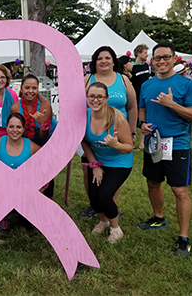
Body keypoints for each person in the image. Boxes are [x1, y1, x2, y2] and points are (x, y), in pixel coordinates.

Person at [137, 41, 192, 257]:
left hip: (178, 144)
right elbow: (142, 110)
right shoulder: (146, 85)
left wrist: (172, 104)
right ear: (152, 61)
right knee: (153, 182)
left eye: (166, 57)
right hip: (153, 142)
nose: (162, 61)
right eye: (158, 58)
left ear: (174, 59)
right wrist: (142, 124)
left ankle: (184, 238)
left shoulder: (186, 85)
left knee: (179, 191)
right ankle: (158, 218)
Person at [80, 46, 137, 218]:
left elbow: (133, 106)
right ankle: (95, 205)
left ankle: (111, 207)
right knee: (89, 171)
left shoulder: (123, 80)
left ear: (114, 61)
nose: (103, 61)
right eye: (99, 58)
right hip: (91, 135)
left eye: (107, 58)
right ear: (94, 62)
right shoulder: (87, 79)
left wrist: (133, 132)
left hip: (118, 133)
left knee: (113, 173)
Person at [82, 82, 133, 243]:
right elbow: (84, 142)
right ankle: (103, 222)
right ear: (87, 97)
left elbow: (128, 147)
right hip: (98, 162)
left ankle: (115, 228)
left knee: (104, 196)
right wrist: (94, 165)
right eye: (91, 96)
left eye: (99, 97)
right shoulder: (85, 116)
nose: (95, 100)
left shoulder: (117, 117)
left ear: (106, 98)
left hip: (119, 162)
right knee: (94, 199)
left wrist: (116, 144)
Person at [0, 112, 41, 232]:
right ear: (6, 127)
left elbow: (47, 162)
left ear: (23, 129)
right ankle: (4, 217)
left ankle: (26, 212)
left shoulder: (32, 147)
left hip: (24, 190)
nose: (15, 130)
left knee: (29, 226)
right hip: (2, 190)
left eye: (18, 127)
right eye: (11, 126)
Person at [10, 74, 57, 198]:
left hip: (46, 141)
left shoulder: (44, 106)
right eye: (27, 87)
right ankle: (25, 197)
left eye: (34, 88)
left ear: (38, 89)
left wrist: (43, 124)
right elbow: (16, 132)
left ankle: (46, 201)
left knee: (45, 173)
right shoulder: (15, 108)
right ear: (21, 89)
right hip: (27, 142)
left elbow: (44, 136)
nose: (30, 91)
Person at [131, 44, 151, 150]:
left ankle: (142, 143)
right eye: (145, 52)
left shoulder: (146, 66)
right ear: (138, 54)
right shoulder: (132, 67)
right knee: (133, 119)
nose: (147, 55)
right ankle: (131, 141)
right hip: (135, 97)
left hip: (145, 96)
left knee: (145, 119)